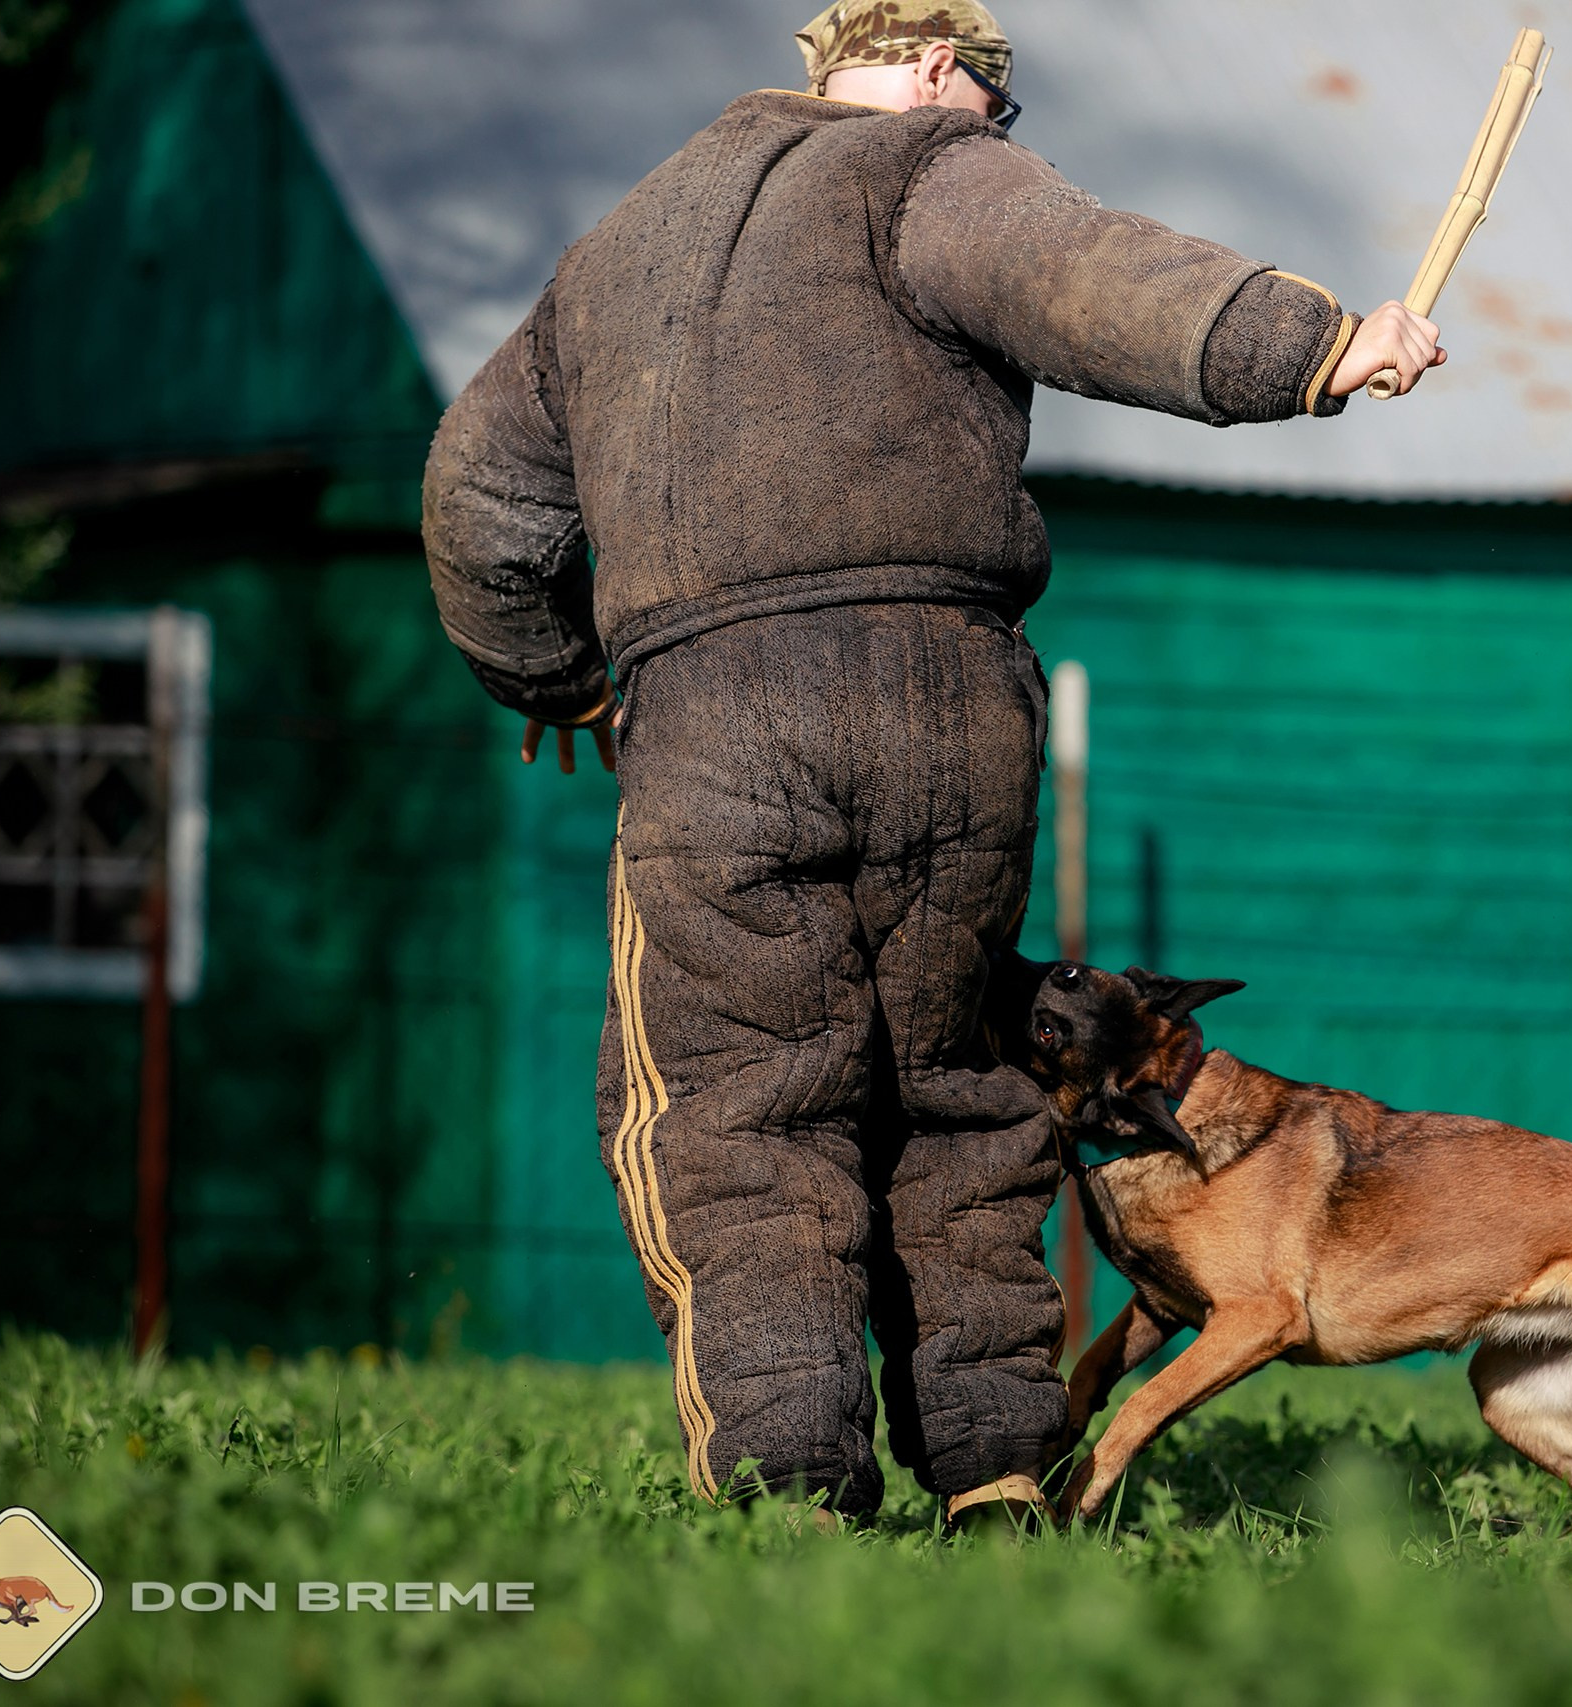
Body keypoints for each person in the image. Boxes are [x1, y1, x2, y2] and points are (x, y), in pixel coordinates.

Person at [421, 0, 1444, 1530]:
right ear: (939, 70)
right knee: (959, 1090)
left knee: (736, 1110)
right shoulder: (923, 169)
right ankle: (997, 1465)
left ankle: (787, 1483)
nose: (994, 138)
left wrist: (552, 675)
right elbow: (1086, 271)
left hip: (718, 709)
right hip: (953, 705)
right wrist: (1312, 348)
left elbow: (479, 499)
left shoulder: (618, 250)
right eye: (993, 111)